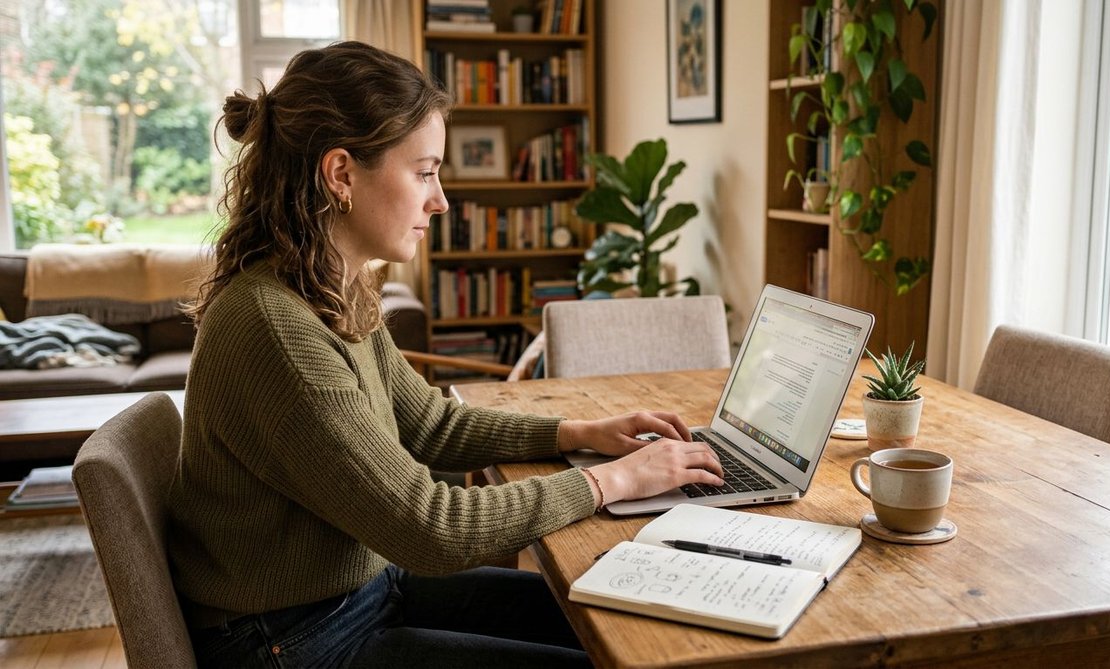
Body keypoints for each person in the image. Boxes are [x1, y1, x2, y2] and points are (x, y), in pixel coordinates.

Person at [167, 41, 724, 668]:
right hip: (291, 641)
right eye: (425, 171)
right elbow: (432, 529)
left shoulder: (328, 284)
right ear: (342, 174)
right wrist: (611, 481)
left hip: (360, 593)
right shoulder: (274, 325)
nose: (442, 200)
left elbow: (430, 423)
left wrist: (580, 432)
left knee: (623, 624)